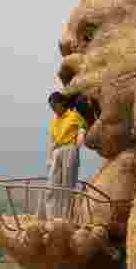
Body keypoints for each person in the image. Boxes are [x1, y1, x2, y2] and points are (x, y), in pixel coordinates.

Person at [38, 92, 87, 220]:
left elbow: (82, 127)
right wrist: (49, 157)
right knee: (51, 185)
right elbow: (52, 141)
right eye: (51, 107)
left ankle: (65, 219)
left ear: (62, 103)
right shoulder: (53, 121)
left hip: (70, 148)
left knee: (68, 184)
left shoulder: (74, 115)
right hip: (57, 151)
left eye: (55, 106)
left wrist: (78, 143)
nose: (53, 109)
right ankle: (52, 217)